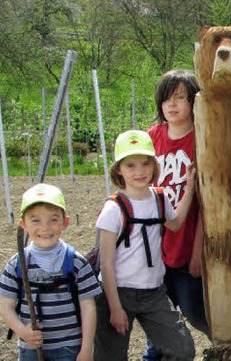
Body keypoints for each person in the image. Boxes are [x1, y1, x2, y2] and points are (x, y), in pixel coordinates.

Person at [93, 130, 196, 361]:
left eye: (145, 163)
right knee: (110, 356)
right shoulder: (113, 209)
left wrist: (189, 188)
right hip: (118, 291)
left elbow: (176, 223)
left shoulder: (159, 198)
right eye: (130, 165)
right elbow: (106, 265)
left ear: (154, 165)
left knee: (182, 350)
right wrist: (115, 307)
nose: (139, 171)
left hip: (154, 292)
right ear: (119, 168)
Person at [145, 70, 210, 360]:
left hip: (186, 241)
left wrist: (198, 250)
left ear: (194, 102)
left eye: (181, 98)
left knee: (194, 310)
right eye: (167, 98)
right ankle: (154, 355)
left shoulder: (202, 139)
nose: (172, 105)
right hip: (154, 244)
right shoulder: (152, 137)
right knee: (158, 314)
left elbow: (209, 205)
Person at [0, 183, 101, 361]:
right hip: (31, 348)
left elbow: (88, 307)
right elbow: (5, 305)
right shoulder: (18, 264)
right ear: (23, 224)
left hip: (69, 347)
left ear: (65, 222)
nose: (45, 228)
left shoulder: (77, 262)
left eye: (53, 219)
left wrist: (87, 349)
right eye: (35, 220)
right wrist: (23, 331)